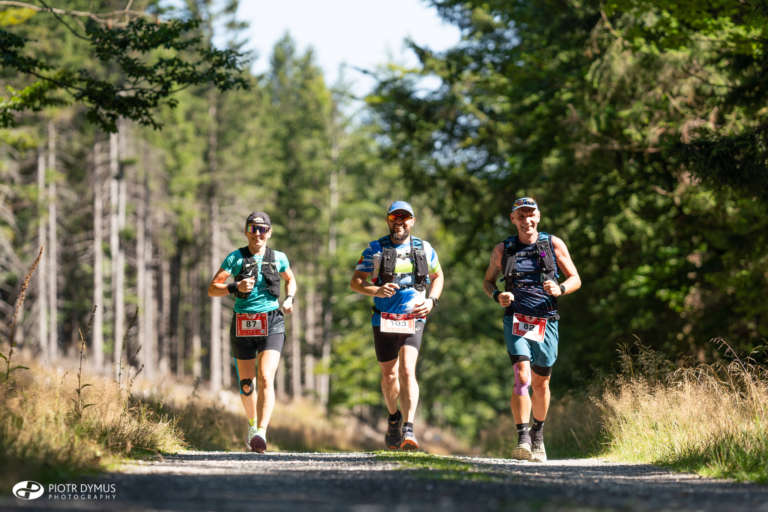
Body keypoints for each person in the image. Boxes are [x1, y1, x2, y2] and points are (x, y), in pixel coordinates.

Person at [482, 197, 580, 462]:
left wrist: (560, 288)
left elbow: (575, 278)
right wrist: (498, 296)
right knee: (522, 376)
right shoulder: (503, 249)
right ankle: (522, 437)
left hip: (546, 321)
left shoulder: (552, 244)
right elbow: (488, 282)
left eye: (531, 215)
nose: (527, 220)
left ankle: (538, 434)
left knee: (541, 382)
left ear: (538, 216)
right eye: (521, 216)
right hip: (516, 320)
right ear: (513, 219)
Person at [350, 200, 444, 451]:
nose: (400, 222)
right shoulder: (375, 249)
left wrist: (431, 301)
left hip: (414, 316)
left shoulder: (424, 248)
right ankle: (394, 418)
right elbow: (356, 282)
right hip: (383, 318)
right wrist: (376, 290)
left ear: (413, 221)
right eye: (395, 218)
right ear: (388, 220)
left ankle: (409, 429)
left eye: (405, 218)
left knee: (407, 370)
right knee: (389, 374)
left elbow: (438, 276)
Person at [208, 211, 296, 453]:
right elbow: (213, 289)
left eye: (262, 229)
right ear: (246, 231)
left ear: (270, 232)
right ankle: (251, 424)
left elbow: (290, 279)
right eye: (252, 228)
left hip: (272, 321)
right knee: (247, 384)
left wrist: (289, 298)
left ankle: (261, 432)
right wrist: (234, 287)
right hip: (243, 323)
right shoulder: (235, 258)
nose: (257, 234)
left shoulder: (279, 257)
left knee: (266, 377)